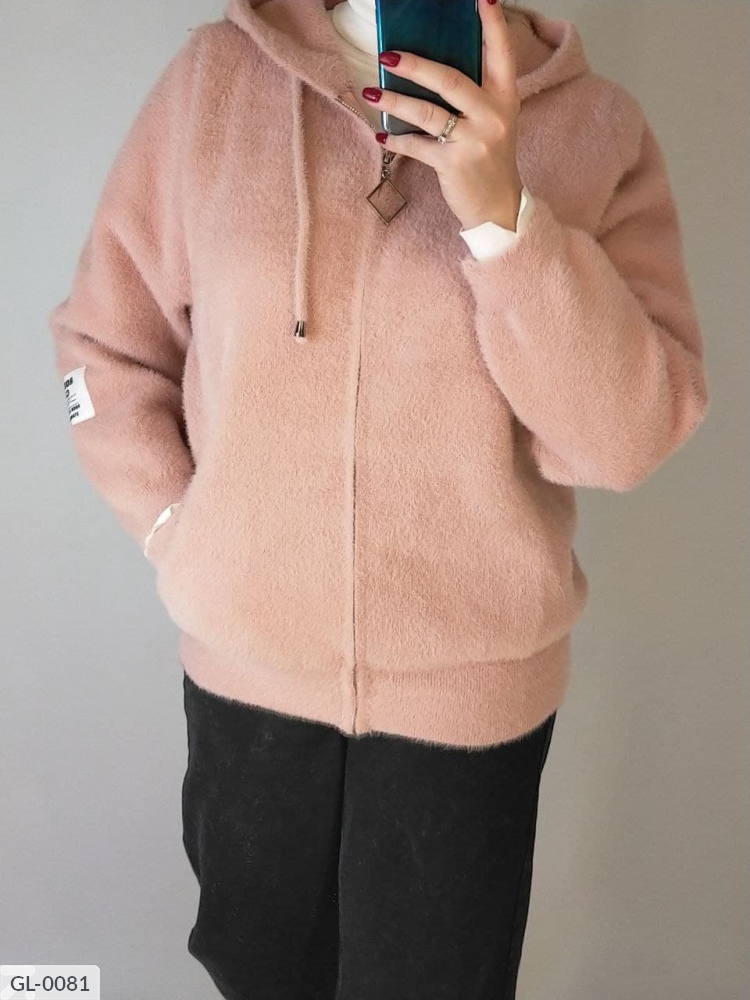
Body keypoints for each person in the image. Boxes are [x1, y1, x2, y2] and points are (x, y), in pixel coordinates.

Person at [47, 0, 710, 996]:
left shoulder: (597, 129)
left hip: (466, 713)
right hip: (246, 691)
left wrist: (506, 222)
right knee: (256, 975)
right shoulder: (216, 85)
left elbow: (629, 439)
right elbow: (97, 350)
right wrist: (179, 531)